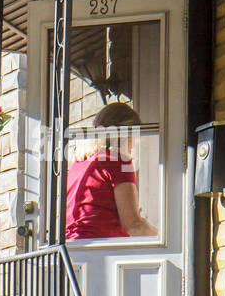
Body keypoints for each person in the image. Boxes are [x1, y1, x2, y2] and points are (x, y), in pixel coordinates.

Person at [65, 101, 158, 240]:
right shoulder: (117, 161)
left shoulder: (78, 165)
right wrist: (165, 237)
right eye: (133, 140)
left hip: (74, 246)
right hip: (100, 247)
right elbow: (133, 225)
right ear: (126, 135)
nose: (132, 147)